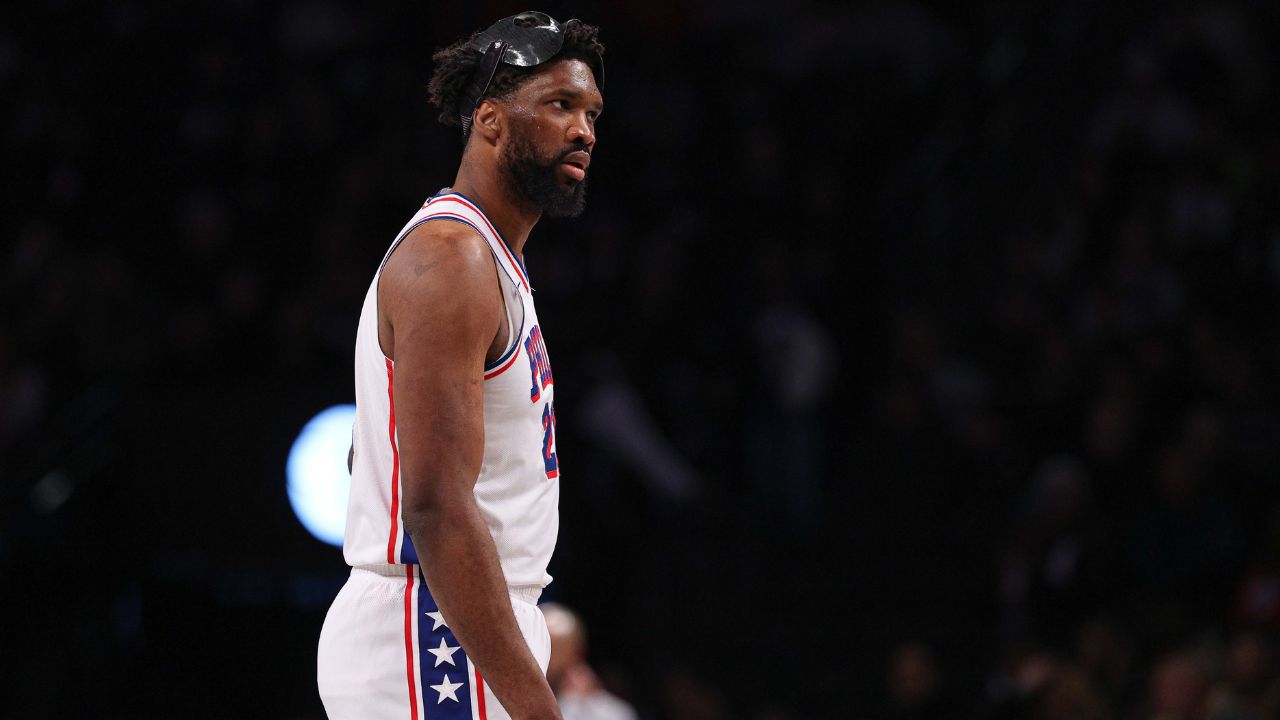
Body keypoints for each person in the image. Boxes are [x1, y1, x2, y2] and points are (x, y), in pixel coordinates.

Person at [317, 11, 605, 720]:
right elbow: (437, 507)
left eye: (592, 111)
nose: (584, 131)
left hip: (454, 618)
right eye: (559, 104)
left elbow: (372, 451)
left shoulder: (484, 259)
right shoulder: (453, 259)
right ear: (490, 121)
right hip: (431, 634)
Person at [541, 603, 638, 720]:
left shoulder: (612, 713)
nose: (539, 654)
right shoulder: (517, 696)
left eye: (552, 648)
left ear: (576, 654)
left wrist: (570, 704)